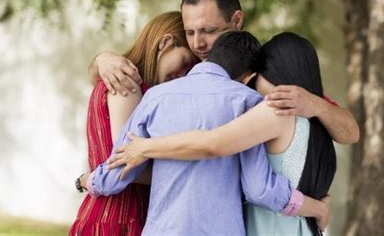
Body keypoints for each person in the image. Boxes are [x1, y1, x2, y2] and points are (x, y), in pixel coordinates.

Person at [82, 30, 331, 235]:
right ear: (249, 77)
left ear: (208, 58)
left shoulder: (156, 96)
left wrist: (85, 181)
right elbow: (259, 189)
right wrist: (312, 206)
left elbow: (117, 171)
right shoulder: (248, 102)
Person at [88, 0, 359, 145]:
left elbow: (350, 133)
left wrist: (314, 104)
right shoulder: (186, 72)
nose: (198, 43)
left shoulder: (265, 68)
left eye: (209, 31)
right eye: (190, 32)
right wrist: (102, 59)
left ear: (237, 20)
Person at [70, 11, 197, 236]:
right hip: (120, 219)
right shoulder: (127, 85)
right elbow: (127, 166)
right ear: (166, 42)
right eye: (185, 62)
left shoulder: (128, 82)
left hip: (113, 214)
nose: (183, 75)